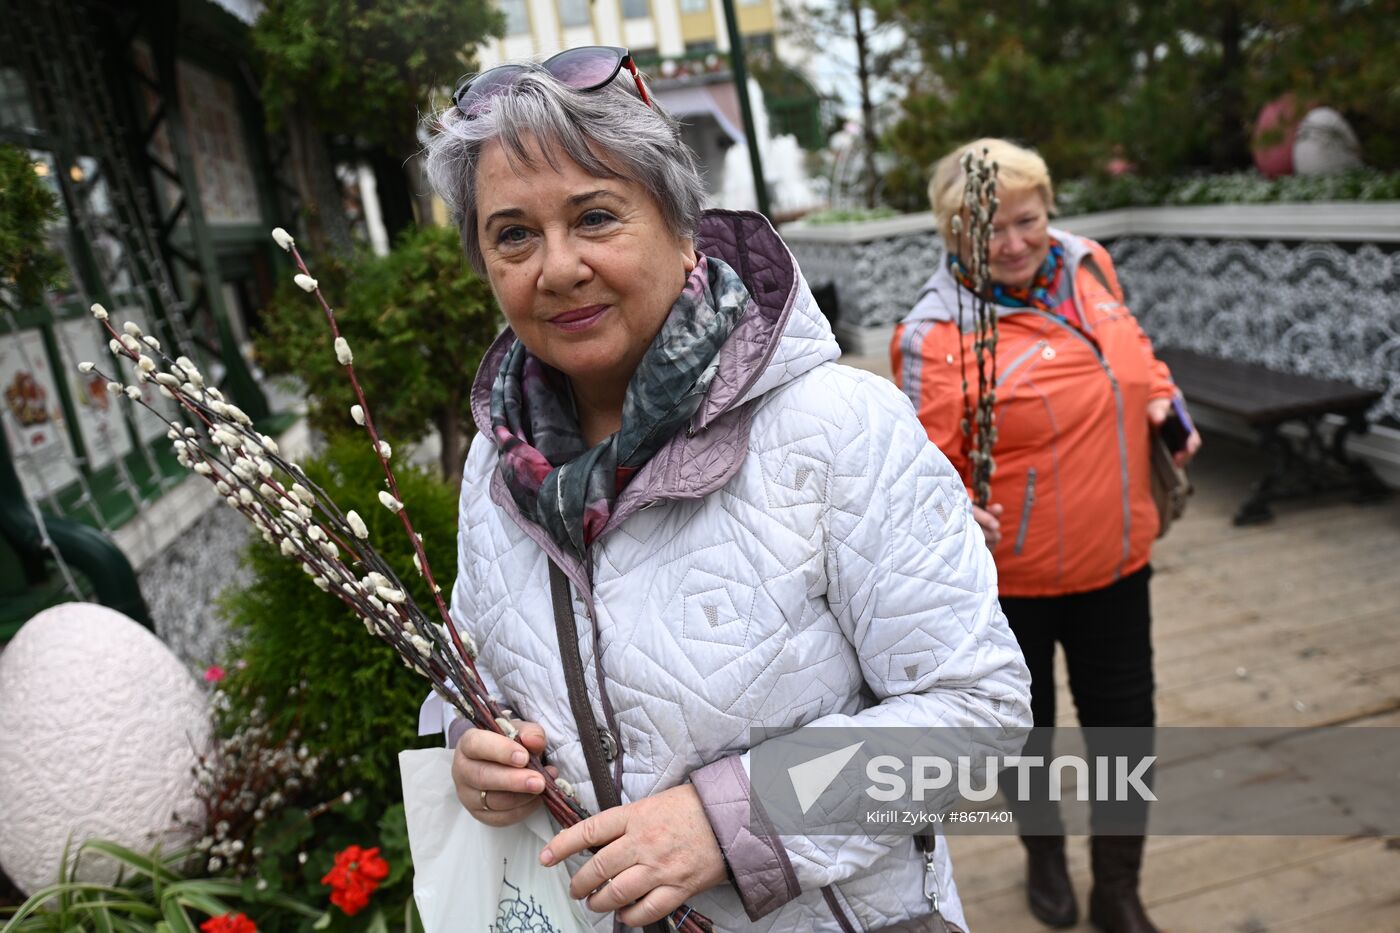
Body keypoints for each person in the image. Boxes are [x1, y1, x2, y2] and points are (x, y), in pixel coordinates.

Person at [420, 49, 1032, 932]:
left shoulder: (835, 424)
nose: (556, 267)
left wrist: (733, 818)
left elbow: (979, 712)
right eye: (513, 233)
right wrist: (470, 750)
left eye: (595, 216)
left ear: (680, 224)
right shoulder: (495, 465)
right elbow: (471, 674)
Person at [891, 139, 1202, 933]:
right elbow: (919, 471)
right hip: (1013, 579)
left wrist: (1167, 405)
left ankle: (1119, 888)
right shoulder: (933, 334)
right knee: (1028, 741)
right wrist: (957, 505)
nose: (1016, 242)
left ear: (1049, 209)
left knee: (1125, 735)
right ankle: (1044, 854)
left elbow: (1134, 356)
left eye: (1027, 220)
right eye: (990, 228)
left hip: (1117, 556)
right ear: (952, 231)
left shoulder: (1090, 263)